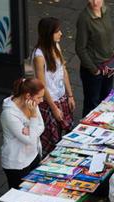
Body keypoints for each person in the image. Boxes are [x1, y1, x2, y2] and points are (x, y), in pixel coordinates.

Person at [33, 17, 76, 155]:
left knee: (67, 131)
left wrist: (70, 95)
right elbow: (42, 85)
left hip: (61, 96)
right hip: (49, 102)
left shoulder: (56, 46)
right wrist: (54, 108)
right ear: (48, 33)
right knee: (53, 139)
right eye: (57, 31)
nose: (61, 34)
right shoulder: (39, 56)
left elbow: (63, 70)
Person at [0, 77, 46, 189]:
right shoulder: (9, 114)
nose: (42, 100)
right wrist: (34, 117)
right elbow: (29, 140)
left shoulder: (32, 103)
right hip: (17, 162)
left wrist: (30, 130)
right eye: (39, 97)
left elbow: (42, 126)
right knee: (19, 195)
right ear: (28, 96)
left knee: (35, 190)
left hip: (33, 155)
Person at [76, 0, 114, 116]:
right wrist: (94, 69)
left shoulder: (106, 10)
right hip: (95, 68)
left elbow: (108, 35)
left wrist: (112, 51)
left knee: (106, 99)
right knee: (92, 104)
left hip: (108, 64)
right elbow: (80, 48)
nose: (94, 2)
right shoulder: (84, 19)